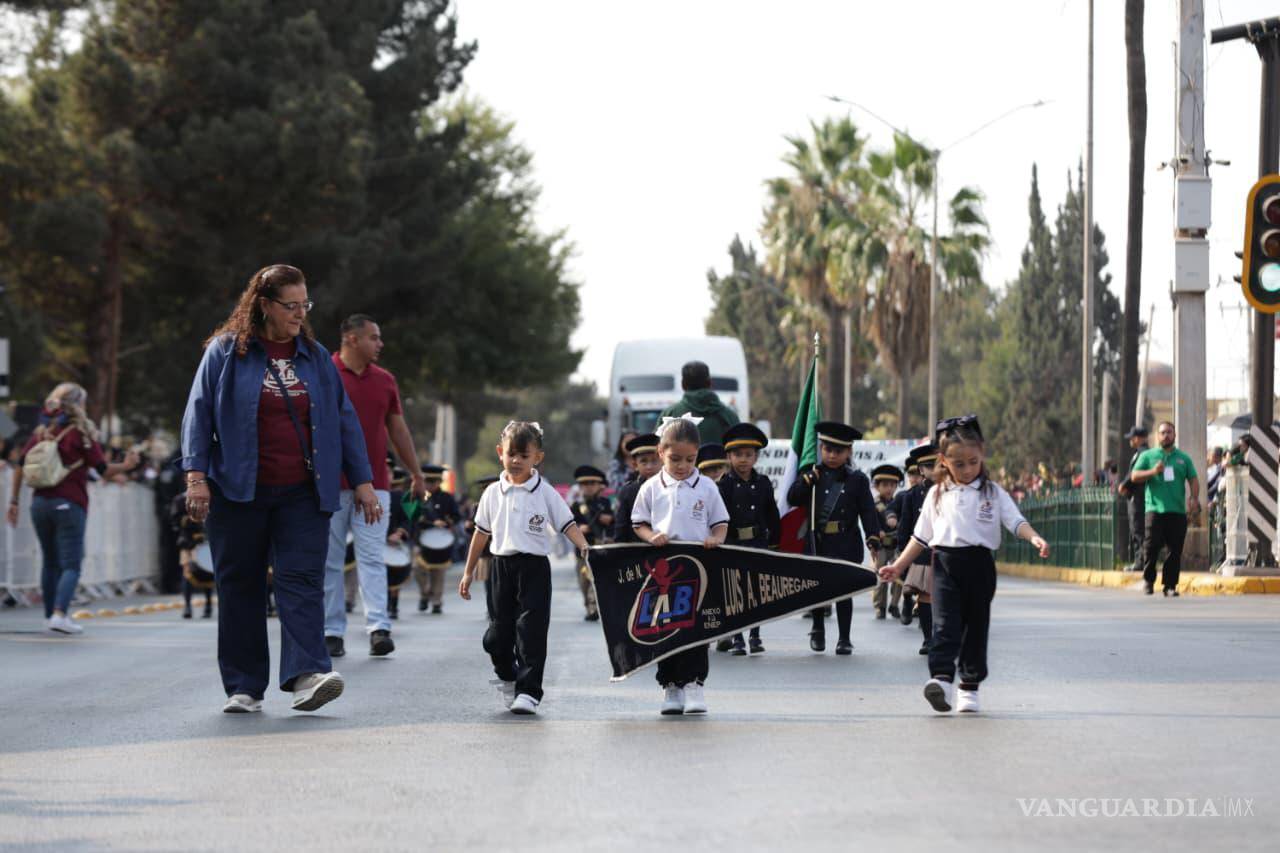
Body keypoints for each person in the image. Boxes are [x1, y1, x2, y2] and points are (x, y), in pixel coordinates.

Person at [180, 264, 380, 714]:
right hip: (237, 491)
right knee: (240, 587)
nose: (299, 313)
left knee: (302, 581)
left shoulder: (314, 357)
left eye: (304, 305)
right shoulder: (226, 353)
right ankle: (245, 686)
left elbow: (344, 420)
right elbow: (199, 414)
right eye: (290, 305)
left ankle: (307, 675)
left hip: (303, 493)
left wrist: (363, 481)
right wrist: (196, 478)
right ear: (264, 305)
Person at [880, 415, 1050, 714]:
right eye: (959, 464)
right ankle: (942, 679)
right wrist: (898, 565)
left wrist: (1034, 538)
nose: (968, 469)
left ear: (981, 453)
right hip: (943, 565)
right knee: (944, 624)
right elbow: (920, 537)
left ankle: (969, 687)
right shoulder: (936, 494)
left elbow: (1015, 521)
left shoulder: (992, 492)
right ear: (944, 461)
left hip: (980, 565)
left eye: (973, 461)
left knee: (975, 627)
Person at [458, 422, 589, 715]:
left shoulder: (545, 492)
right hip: (500, 568)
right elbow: (480, 534)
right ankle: (508, 676)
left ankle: (529, 692)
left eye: (524, 455)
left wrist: (584, 546)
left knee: (531, 632)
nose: (516, 460)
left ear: (537, 458)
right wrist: (468, 572)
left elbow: (567, 524)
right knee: (496, 636)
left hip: (534, 568)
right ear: (500, 453)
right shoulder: (492, 492)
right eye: (510, 454)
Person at [321, 314, 426, 659]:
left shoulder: (385, 381)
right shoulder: (325, 373)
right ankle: (331, 631)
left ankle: (379, 628)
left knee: (371, 556)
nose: (380, 344)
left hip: (376, 484)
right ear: (351, 339)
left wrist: (416, 472)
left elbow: (398, 430)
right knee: (331, 559)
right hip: (330, 484)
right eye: (373, 338)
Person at [7, 383, 139, 634]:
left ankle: (49, 616)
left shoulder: (41, 431)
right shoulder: (81, 432)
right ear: (79, 404)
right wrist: (126, 466)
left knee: (50, 561)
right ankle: (60, 614)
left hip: (39, 504)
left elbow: (20, 465)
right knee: (72, 563)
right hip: (69, 502)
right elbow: (102, 470)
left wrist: (13, 501)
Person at [630, 416, 729, 715]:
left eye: (690, 458)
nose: (683, 465)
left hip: (698, 567)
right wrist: (652, 537)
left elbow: (721, 523)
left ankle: (694, 685)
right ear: (661, 452)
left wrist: (715, 538)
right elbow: (638, 523)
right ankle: (671, 686)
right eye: (675, 459)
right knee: (665, 628)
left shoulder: (707, 487)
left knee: (696, 628)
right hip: (665, 567)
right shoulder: (650, 487)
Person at [785, 421, 881, 656]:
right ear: (820, 449)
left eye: (838, 451)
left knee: (843, 591)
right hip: (819, 542)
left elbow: (867, 510)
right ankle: (817, 628)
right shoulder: (812, 475)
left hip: (845, 541)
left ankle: (844, 638)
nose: (831, 455)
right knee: (818, 589)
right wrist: (806, 482)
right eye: (827, 449)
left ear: (848, 452)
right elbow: (793, 498)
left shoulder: (856, 479)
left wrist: (873, 536)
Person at [717, 422, 779, 656]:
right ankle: (738, 638)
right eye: (737, 455)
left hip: (757, 543)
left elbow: (771, 512)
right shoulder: (724, 484)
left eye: (748, 455)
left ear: (756, 457)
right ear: (729, 456)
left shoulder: (763, 483)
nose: (743, 460)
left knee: (756, 592)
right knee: (736, 592)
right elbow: (718, 516)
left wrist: (775, 543)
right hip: (733, 544)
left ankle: (755, 635)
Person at [1129, 421, 1201, 597]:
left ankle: (1170, 585)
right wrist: (1153, 472)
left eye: (1169, 432)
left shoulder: (1183, 458)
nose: (1166, 435)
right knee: (1151, 547)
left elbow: (1193, 478)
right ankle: (1148, 581)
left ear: (1174, 435)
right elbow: (1134, 476)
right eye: (1162, 432)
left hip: (1177, 511)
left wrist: (1193, 497)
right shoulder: (1148, 456)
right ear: (1157, 436)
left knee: (1174, 550)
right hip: (1155, 510)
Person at [890, 444, 939, 652]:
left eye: (938, 465)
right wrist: (903, 555)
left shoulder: (954, 491)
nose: (935, 470)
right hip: (922, 553)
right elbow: (905, 528)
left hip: (948, 553)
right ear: (921, 470)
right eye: (929, 466)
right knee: (926, 597)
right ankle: (928, 638)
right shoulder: (912, 496)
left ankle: (946, 637)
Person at [658, 361, 740, 445]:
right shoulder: (730, 416)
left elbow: (656, 450)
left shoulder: (669, 415)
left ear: (683, 384)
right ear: (710, 383)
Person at [414, 464, 460, 614]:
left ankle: (436, 602)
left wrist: (447, 523)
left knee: (438, 572)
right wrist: (431, 523)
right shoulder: (418, 498)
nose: (430, 485)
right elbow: (413, 518)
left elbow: (456, 516)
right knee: (418, 568)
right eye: (427, 482)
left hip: (442, 540)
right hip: (422, 539)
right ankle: (425, 593)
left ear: (439, 482)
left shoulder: (447, 498)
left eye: (433, 482)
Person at [571, 464, 612, 621]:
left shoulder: (605, 504)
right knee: (584, 581)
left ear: (599, 485)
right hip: (583, 550)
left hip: (601, 547)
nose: (588, 487)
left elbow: (614, 525)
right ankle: (588, 606)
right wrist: (579, 528)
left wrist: (609, 519)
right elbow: (569, 525)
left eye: (592, 484)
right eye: (584, 484)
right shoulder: (577, 506)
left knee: (599, 578)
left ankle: (596, 607)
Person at [169, 489, 213, 619]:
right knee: (187, 573)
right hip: (189, 543)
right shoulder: (180, 500)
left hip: (206, 543)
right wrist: (189, 521)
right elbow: (175, 522)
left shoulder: (212, 497)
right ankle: (187, 605)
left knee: (208, 573)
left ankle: (208, 604)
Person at [870, 464, 905, 620]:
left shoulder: (899, 502)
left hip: (896, 544)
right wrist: (877, 532)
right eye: (885, 485)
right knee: (881, 576)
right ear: (877, 487)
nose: (889, 488)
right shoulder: (874, 504)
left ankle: (894, 605)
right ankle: (880, 607)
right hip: (882, 546)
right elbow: (869, 521)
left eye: (892, 485)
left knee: (899, 575)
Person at [612, 433, 661, 543]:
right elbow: (621, 527)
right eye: (643, 461)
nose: (649, 466)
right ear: (635, 465)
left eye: (654, 461)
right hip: (637, 552)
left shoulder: (672, 487)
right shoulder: (628, 491)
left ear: (662, 461)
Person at [1117, 426, 1149, 572]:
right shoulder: (1138, 453)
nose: (1131, 440)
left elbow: (1135, 473)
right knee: (1136, 528)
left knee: (1138, 529)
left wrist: (1124, 484)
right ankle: (1140, 560)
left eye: (1133, 437)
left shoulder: (1143, 453)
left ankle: (1140, 561)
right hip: (1134, 495)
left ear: (1139, 438)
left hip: (1138, 496)